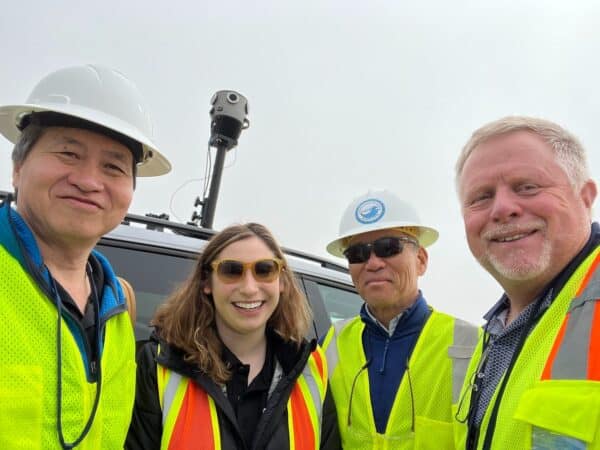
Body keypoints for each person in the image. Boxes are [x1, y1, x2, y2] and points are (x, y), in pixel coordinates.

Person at [0, 64, 171, 449]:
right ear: (18, 167)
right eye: (68, 153)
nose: (89, 181)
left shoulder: (117, 308)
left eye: (113, 166)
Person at [126, 222, 341, 450]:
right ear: (207, 282)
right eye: (231, 270)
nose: (249, 288)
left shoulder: (311, 368)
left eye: (264, 270)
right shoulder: (158, 366)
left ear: (282, 281)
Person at [454, 116, 600, 450]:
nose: (503, 208)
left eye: (527, 187)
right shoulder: (493, 332)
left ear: (585, 197)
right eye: (481, 197)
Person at [322, 190, 479, 449]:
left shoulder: (471, 344)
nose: (373, 263)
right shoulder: (331, 344)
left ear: (421, 260)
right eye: (357, 253)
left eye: (388, 247)